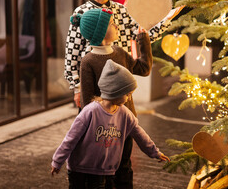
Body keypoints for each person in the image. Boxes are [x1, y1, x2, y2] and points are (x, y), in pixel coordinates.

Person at [64, 0, 175, 109]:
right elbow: (72, 52)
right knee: (94, 124)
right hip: (94, 86)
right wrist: (77, 88)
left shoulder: (122, 10)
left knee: (123, 126)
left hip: (121, 85)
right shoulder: (82, 12)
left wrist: (165, 21)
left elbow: (143, 36)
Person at [51, 59, 170, 189]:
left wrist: (154, 152)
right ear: (115, 91)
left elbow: (140, 134)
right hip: (80, 170)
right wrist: (57, 161)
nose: (129, 98)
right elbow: (71, 138)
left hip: (104, 170)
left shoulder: (125, 114)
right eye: (127, 94)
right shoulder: (91, 111)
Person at [72, 7, 151, 188]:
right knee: (104, 173)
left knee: (124, 167)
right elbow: (87, 103)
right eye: (111, 23)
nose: (116, 25)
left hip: (126, 122)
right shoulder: (88, 62)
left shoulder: (119, 52)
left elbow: (143, 69)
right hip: (104, 130)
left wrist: (143, 40)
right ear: (100, 32)